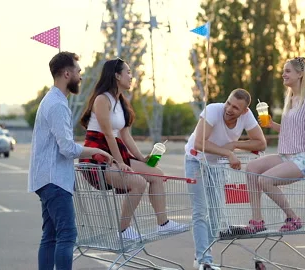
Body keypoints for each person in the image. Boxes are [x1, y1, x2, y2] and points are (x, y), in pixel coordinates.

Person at [79, 58, 187, 240]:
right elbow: (107, 134)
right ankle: (123, 230)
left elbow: (125, 135)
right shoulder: (101, 100)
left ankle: (163, 224)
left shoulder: (121, 101)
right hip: (98, 157)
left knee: (157, 174)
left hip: (115, 153)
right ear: (116, 75)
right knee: (138, 183)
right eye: (128, 72)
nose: (131, 76)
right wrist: (120, 163)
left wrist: (141, 158)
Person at [28, 51, 113, 270]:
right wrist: (96, 151)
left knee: (51, 235)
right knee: (67, 235)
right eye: (78, 71)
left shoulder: (52, 101)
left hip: (46, 178)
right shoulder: (57, 105)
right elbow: (66, 148)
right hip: (54, 180)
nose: (80, 76)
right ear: (67, 74)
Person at [184, 89, 267, 270]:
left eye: (235, 107)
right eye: (228, 103)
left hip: (216, 164)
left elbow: (261, 142)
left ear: (244, 111)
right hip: (195, 160)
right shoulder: (213, 110)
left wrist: (236, 144)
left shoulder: (247, 116)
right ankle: (205, 260)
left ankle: (201, 253)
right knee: (200, 211)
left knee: (216, 213)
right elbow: (199, 143)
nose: (229, 109)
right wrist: (228, 153)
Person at [245, 57, 305, 233]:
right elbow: (292, 131)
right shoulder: (291, 98)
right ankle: (257, 221)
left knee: (265, 180)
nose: (283, 74)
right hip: (286, 155)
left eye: (288, 71)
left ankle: (293, 218)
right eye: (284, 71)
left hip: (303, 158)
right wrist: (272, 125)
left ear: (300, 74)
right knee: (251, 168)